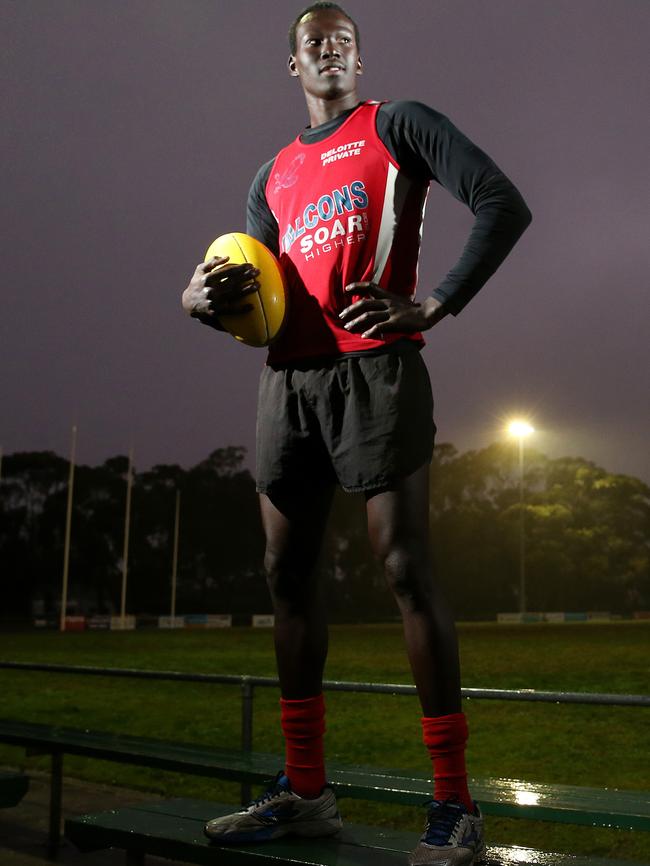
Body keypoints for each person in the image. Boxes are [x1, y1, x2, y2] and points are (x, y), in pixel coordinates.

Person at [182, 3, 532, 863]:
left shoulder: (398, 125)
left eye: (344, 38)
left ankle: (456, 807)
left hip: (376, 368)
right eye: (313, 39)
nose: (329, 46)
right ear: (292, 64)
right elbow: (242, 292)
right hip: (289, 382)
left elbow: (502, 202)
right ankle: (307, 792)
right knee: (284, 574)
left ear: (358, 62)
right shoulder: (270, 175)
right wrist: (195, 300)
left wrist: (435, 303)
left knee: (405, 567)